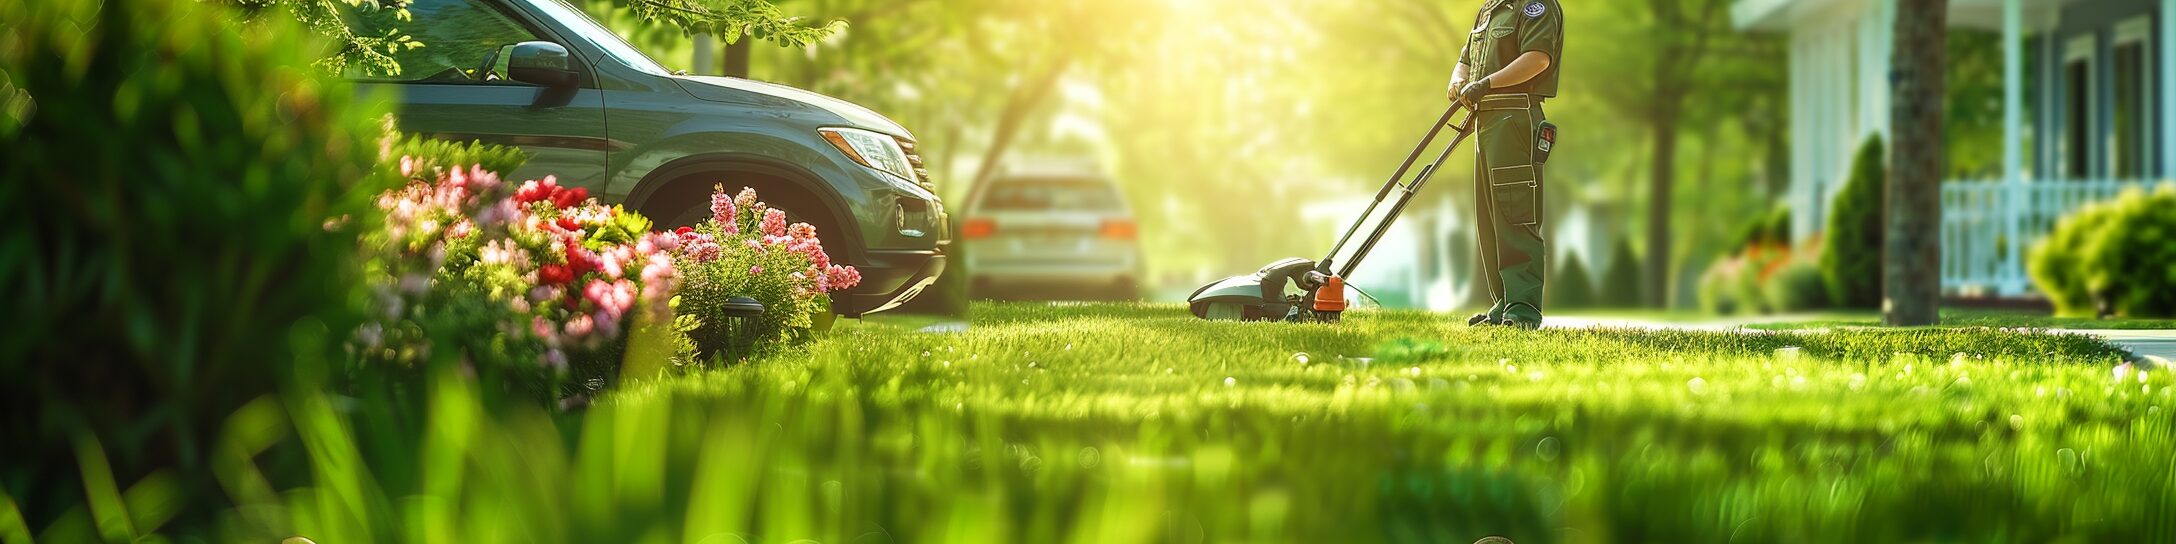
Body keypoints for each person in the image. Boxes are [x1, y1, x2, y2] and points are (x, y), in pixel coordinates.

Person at [1448, 0, 1562, 330]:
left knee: (1515, 214)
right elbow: (1465, 60)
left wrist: (1486, 84)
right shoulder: (1489, 10)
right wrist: (1460, 81)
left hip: (1515, 117)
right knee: (1491, 217)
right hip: (1484, 120)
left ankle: (1523, 309)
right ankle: (1505, 304)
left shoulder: (1535, 7)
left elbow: (1538, 59)